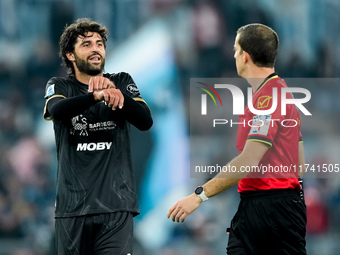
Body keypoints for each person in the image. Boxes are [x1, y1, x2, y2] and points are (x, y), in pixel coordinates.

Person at [167, 23, 307, 255]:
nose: (233, 55)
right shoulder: (277, 94)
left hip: (272, 210)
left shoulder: (268, 99)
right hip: (261, 206)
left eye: (235, 50)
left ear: (245, 56)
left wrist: (199, 196)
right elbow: (299, 164)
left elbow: (248, 160)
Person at [43, 18, 153, 255]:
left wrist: (115, 93)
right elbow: (57, 111)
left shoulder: (122, 81)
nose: (96, 48)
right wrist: (96, 96)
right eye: (86, 44)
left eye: (99, 43)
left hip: (116, 208)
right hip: (72, 210)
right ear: (70, 55)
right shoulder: (60, 86)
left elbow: (145, 121)